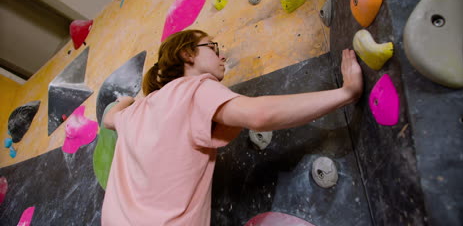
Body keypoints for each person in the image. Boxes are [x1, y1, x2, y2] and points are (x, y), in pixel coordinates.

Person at [101, 29, 362, 225]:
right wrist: (346, 93)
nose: (222, 54)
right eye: (213, 47)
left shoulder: (135, 113)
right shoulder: (192, 88)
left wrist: (125, 100)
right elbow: (259, 115)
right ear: (187, 53)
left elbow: (108, 118)